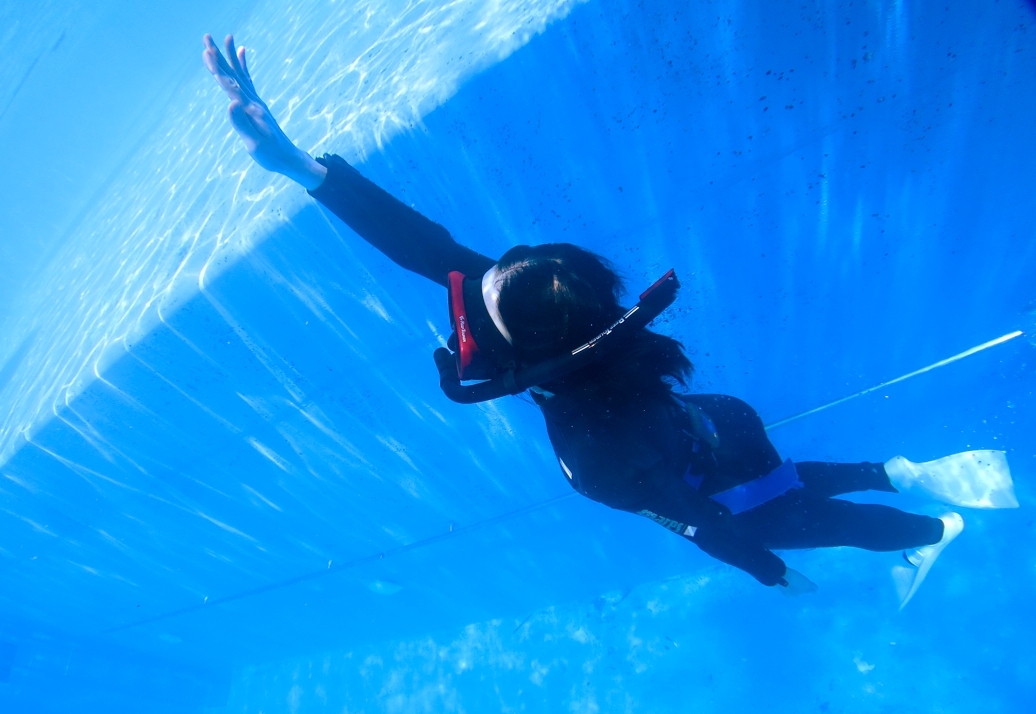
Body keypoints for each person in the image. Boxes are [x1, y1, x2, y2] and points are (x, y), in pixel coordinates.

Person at [202, 34, 1017, 608]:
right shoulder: (535, 324)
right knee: (777, 474)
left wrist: (771, 576)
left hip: (686, 460)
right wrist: (297, 164)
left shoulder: (597, 454)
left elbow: (695, 520)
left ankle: (931, 526)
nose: (472, 295)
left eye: (485, 304)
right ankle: (898, 467)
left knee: (795, 519)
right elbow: (421, 243)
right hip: (715, 426)